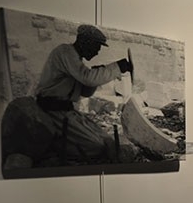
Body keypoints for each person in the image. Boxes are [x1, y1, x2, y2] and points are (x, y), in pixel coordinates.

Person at [34, 24, 132, 162]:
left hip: (67, 111)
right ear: (86, 43)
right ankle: (56, 149)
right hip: (52, 112)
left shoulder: (75, 59)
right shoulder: (65, 52)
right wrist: (116, 67)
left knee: (106, 139)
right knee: (96, 146)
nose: (97, 52)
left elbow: (86, 91)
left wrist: (99, 73)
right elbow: (87, 78)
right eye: (96, 46)